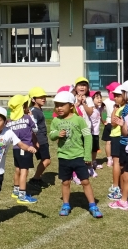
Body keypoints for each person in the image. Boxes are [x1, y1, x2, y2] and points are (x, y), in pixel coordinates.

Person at [52, 90, 102, 218]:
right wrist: (57, 134)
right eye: (57, 105)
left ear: (71, 106)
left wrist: (87, 156)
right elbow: (51, 135)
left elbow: (88, 137)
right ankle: (66, 204)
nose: (59, 108)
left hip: (79, 156)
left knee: (85, 181)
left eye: (62, 105)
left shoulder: (79, 120)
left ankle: (92, 205)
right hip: (63, 157)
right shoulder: (56, 121)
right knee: (65, 182)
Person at [7, 94, 39, 205]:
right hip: (26, 148)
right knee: (24, 171)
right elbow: (35, 129)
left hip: (16, 148)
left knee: (17, 169)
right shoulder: (27, 118)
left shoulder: (9, 121)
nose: (28, 107)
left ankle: (15, 191)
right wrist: (31, 116)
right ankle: (22, 195)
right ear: (22, 107)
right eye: (26, 105)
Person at [26, 87, 51, 193]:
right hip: (40, 139)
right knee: (47, 160)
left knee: (44, 160)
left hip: (42, 138)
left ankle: (38, 178)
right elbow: (32, 127)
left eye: (44, 96)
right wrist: (35, 141)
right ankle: (35, 179)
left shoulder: (38, 109)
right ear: (33, 99)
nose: (43, 99)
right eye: (40, 97)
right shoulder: (34, 111)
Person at [90, 90, 107, 171]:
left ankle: (93, 162)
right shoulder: (90, 109)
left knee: (95, 149)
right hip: (89, 133)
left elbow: (100, 115)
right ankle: (88, 164)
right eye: (97, 98)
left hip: (96, 133)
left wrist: (103, 122)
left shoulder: (99, 108)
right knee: (89, 149)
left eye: (100, 97)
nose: (99, 99)